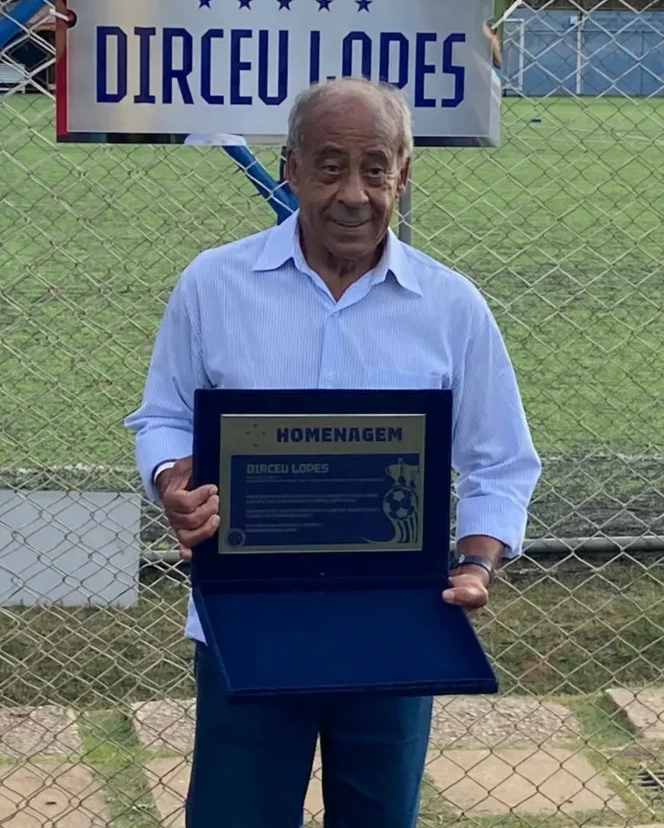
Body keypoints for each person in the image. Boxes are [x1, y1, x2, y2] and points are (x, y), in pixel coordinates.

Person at [124, 76, 541, 828]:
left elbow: (502, 459)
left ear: (403, 173)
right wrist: (170, 480)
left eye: (376, 167)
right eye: (329, 165)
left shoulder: (452, 307)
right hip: (246, 620)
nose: (354, 193)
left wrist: (476, 563)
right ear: (290, 167)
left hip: (396, 624)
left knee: (379, 817)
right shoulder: (213, 284)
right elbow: (161, 417)